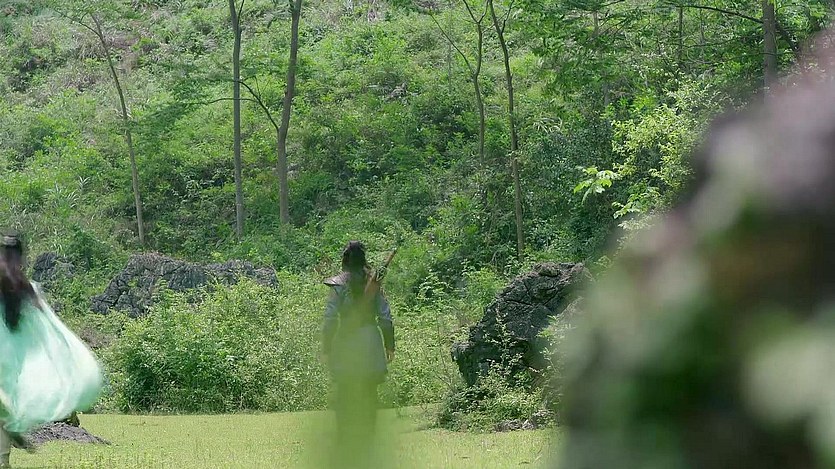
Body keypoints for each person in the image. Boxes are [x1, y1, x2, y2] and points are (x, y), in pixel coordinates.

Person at [0, 234, 103, 468]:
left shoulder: (20, 284)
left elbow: (40, 318)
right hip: (10, 360)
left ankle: (7, 446)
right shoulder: (23, 285)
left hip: (6, 358)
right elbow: (42, 317)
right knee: (4, 408)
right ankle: (7, 446)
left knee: (3, 408)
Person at [321, 241, 394, 468]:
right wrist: (389, 345)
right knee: (370, 394)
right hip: (370, 343)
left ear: (344, 260)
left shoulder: (338, 286)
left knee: (344, 394)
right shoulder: (373, 283)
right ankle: (367, 440)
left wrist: (327, 346)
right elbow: (385, 317)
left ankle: (345, 441)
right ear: (364, 259)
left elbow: (330, 319)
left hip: (345, 343)